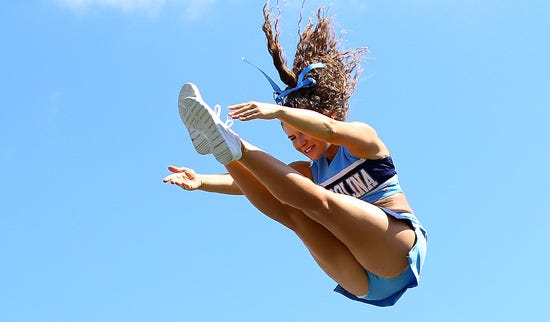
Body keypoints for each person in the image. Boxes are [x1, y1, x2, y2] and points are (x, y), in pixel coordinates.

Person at [163, 2, 427, 307]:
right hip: (362, 282)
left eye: (301, 132)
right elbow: (251, 184)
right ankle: (229, 153)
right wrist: (201, 180)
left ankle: (237, 145)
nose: (298, 142)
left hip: (395, 252)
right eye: (290, 138)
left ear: (324, 115)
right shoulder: (309, 172)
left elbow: (328, 129)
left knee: (320, 202)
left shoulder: (364, 141)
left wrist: (278, 110)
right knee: (295, 213)